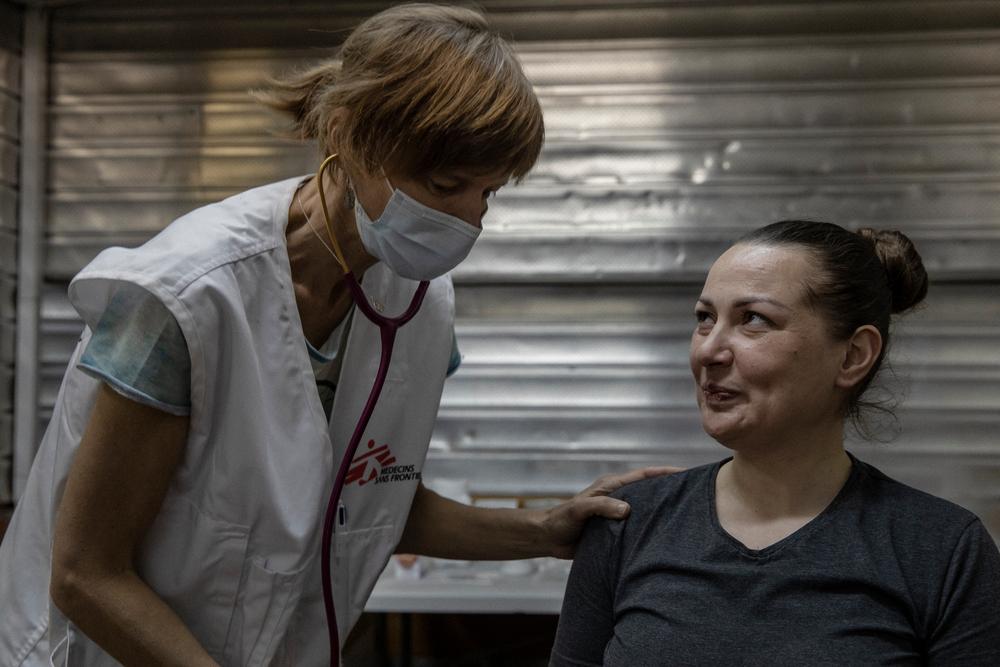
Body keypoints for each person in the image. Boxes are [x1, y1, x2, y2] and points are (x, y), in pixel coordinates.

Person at [0, 5, 675, 665]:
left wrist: (542, 529)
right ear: (352, 137)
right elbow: (86, 572)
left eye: (489, 194)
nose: (470, 222)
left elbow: (373, 502)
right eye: (447, 184)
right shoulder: (186, 298)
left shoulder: (420, 304)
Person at [551, 220, 1000, 666]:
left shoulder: (942, 548)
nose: (709, 351)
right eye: (705, 318)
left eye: (754, 320)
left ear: (853, 356)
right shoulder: (625, 525)